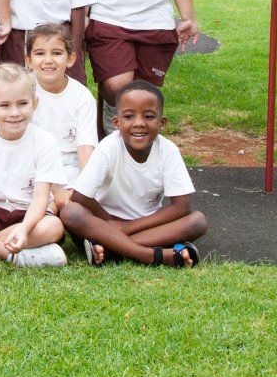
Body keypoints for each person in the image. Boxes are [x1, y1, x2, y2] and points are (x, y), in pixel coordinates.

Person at [61, 80, 206, 267]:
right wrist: (110, 221)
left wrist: (128, 227)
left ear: (162, 123)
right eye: (129, 117)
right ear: (116, 122)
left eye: (149, 116)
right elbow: (80, 196)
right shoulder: (109, 147)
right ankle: (150, 255)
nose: (139, 124)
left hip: (147, 225)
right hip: (104, 222)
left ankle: (111, 249)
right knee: (71, 212)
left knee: (197, 221)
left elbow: (181, 207)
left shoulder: (168, 150)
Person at [0, 63, 68, 267]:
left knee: (54, 226)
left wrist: (25, 228)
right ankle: (18, 257)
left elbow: (41, 197)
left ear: (34, 104)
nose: (15, 112)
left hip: (26, 214)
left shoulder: (44, 141)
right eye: (4, 105)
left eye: (22, 103)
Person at [26, 23, 95, 203]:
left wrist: (83, 191)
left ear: (71, 59)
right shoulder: (23, 92)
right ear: (28, 61)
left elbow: (85, 148)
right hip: (32, 171)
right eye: (40, 53)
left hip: (69, 174)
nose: (48, 60)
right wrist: (53, 190)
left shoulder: (82, 97)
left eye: (56, 53)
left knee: (75, 205)